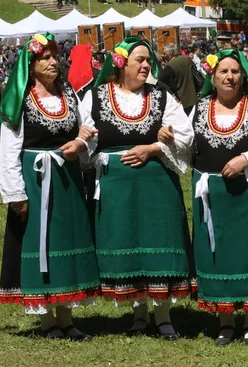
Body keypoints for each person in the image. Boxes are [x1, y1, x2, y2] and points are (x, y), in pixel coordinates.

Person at [167, 49, 248, 346]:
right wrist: (166, 139)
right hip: (212, 197)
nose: (229, 77)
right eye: (223, 72)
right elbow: (185, 147)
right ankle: (225, 321)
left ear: (243, 76)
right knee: (216, 254)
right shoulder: (198, 108)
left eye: (234, 72)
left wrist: (246, 158)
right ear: (213, 76)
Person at [84, 36, 195, 340]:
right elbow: (84, 144)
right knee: (128, 241)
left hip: (156, 186)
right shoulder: (95, 97)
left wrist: (156, 147)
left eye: (149, 60)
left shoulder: (161, 97)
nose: (147, 65)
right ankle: (138, 313)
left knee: (158, 240)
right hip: (117, 188)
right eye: (140, 60)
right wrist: (83, 139)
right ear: (121, 64)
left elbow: (186, 136)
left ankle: (162, 315)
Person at [0, 33, 100, 340]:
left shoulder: (69, 92)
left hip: (66, 179)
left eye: (55, 57)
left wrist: (80, 141)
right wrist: (16, 193)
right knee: (39, 243)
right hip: (35, 179)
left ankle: (66, 318)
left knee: (66, 240)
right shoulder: (22, 97)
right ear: (31, 63)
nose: (54, 62)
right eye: (46, 58)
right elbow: (10, 149)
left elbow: (90, 130)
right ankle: (46, 321)